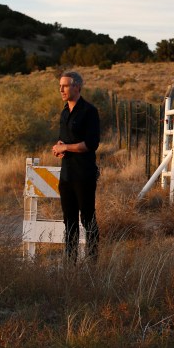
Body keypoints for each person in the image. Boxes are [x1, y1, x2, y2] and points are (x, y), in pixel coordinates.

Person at [52, 71, 100, 262]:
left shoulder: (89, 111)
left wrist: (66, 147)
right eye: (60, 86)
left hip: (84, 174)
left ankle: (92, 262)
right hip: (66, 175)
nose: (61, 89)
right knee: (68, 221)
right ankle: (70, 263)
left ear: (77, 86)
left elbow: (90, 144)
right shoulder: (65, 112)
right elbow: (65, 140)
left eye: (65, 85)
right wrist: (59, 148)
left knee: (88, 219)